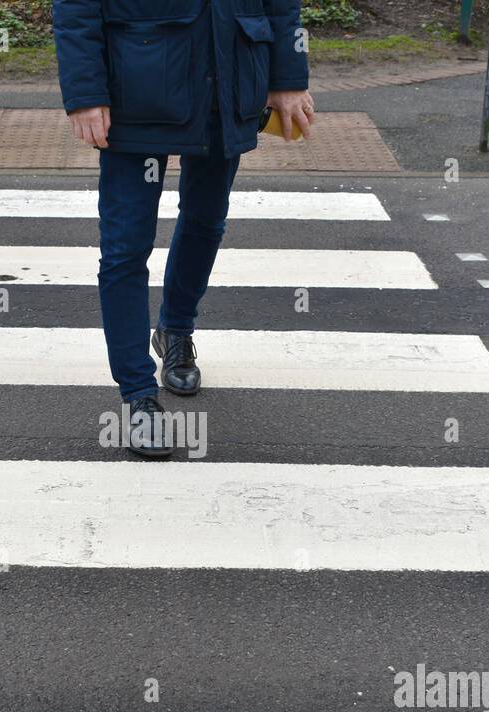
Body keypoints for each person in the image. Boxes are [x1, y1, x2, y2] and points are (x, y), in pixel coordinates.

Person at [53, 0, 315, 457]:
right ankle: (138, 395)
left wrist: (287, 78)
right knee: (125, 248)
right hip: (137, 88)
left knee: (206, 221)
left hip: (229, 79)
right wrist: (85, 93)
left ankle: (175, 330)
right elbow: (75, 9)